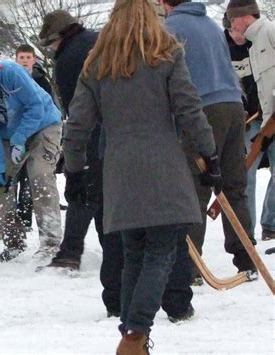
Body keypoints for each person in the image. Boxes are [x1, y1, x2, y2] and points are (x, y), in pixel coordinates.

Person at [63, 0, 219, 352]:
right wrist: (210, 154)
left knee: (134, 254)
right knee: (161, 252)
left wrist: (74, 169)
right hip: (164, 167)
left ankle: (132, 334)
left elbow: (77, 125)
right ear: (152, 16)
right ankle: (135, 334)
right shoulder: (166, 55)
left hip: (118, 171)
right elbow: (189, 109)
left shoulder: (96, 64)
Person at [160, 0, 257, 282]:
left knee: (195, 188)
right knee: (233, 186)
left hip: (203, 110)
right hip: (233, 105)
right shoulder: (212, 25)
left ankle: (190, 268)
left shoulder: (170, 28)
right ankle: (246, 257)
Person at [39, 9, 122, 318]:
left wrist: (74, 152)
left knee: (83, 190)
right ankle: (106, 251)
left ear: (57, 38)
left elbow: (76, 110)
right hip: (119, 128)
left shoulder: (67, 60)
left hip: (92, 131)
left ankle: (70, 253)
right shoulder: (98, 40)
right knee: (103, 194)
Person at [0, 55, 63, 262]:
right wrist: (1, 165)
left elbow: (35, 106)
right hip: (7, 134)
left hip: (43, 124)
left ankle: (51, 243)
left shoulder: (12, 73)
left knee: (40, 175)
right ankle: (13, 239)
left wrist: (20, 138)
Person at [227, 0, 275, 241]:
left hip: (270, 119)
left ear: (244, 17)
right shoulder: (249, 46)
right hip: (257, 121)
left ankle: (272, 224)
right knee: (246, 173)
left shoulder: (268, 33)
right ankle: (247, 232)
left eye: (233, 20)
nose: (232, 26)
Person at [14, 44, 55, 231]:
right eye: (21, 58)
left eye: (27, 58)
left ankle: (33, 218)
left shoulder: (41, 80)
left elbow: (49, 104)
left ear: (33, 59)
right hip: (18, 131)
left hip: (40, 130)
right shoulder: (12, 79)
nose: (24, 61)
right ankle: (20, 220)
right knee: (16, 175)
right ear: (16, 59)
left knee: (35, 175)